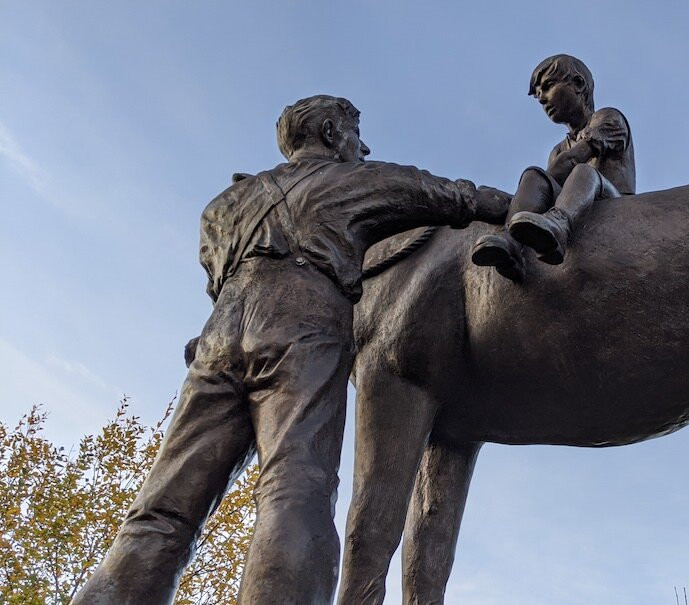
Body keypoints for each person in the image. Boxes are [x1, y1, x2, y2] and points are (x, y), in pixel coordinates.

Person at [71, 95, 510, 605]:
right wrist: (529, 201)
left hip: (218, 342)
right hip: (304, 332)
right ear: (329, 131)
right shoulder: (356, 182)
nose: (362, 147)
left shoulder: (221, 207)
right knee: (295, 488)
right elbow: (453, 197)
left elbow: (219, 282)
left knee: (163, 507)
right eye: (354, 133)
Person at [471, 54, 635, 280]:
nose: (543, 99)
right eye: (538, 96)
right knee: (533, 175)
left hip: (614, 204)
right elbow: (549, 180)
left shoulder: (608, 118)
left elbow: (575, 159)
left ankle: (559, 224)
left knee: (583, 171)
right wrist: (530, 189)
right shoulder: (557, 150)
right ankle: (510, 244)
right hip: (579, 204)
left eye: (548, 86)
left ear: (578, 84)